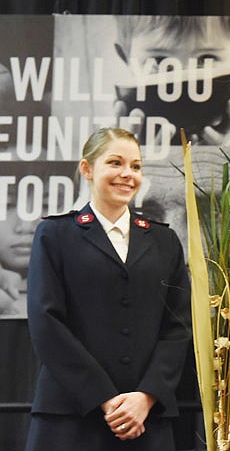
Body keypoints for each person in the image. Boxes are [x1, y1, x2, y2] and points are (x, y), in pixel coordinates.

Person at [25, 128, 191, 450]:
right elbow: (47, 323)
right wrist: (106, 400)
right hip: (71, 417)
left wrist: (145, 397)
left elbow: (178, 328)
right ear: (87, 169)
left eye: (136, 166)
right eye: (115, 163)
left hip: (147, 419)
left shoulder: (164, 241)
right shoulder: (55, 235)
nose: (127, 174)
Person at [112, 15, 230, 147]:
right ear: (125, 56)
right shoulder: (111, 142)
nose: (183, 79)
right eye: (160, 61)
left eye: (206, 59)